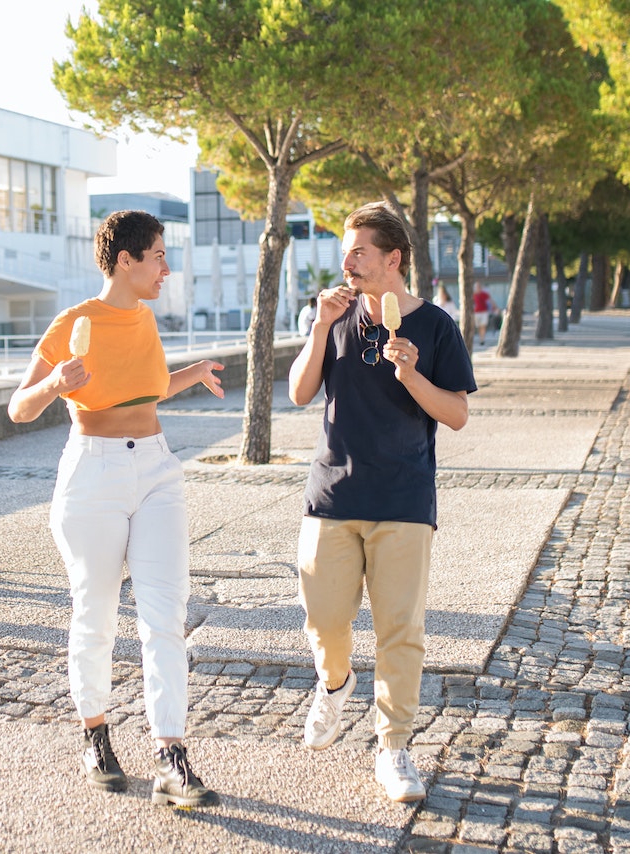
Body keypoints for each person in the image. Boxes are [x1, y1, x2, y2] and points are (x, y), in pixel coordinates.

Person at [8, 210, 226, 808]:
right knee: (96, 612)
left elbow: (146, 388)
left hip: (155, 466)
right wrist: (55, 383)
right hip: (93, 472)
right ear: (125, 261)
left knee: (165, 613)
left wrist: (193, 373)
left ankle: (171, 755)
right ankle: (96, 736)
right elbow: (17, 409)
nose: (166, 267)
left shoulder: (145, 318)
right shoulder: (73, 322)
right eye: (157, 255)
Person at [288, 202, 476, 803]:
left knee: (400, 630)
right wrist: (318, 328)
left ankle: (393, 749)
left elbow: (458, 416)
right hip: (332, 494)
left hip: (402, 498)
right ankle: (334, 682)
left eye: (359, 252)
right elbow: (297, 393)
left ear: (392, 259)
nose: (346, 263)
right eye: (345, 252)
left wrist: (414, 377)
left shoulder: (438, 326)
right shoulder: (335, 317)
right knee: (323, 621)